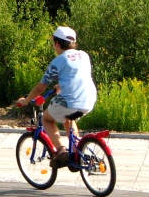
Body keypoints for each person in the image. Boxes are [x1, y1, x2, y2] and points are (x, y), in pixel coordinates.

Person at [17, 26, 97, 168]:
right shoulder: (84, 55)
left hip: (70, 102)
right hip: (88, 100)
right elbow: (78, 76)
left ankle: (61, 151)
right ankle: (77, 151)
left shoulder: (57, 62)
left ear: (57, 44)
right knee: (67, 118)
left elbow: (40, 88)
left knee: (46, 119)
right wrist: (61, 86)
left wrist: (26, 100)